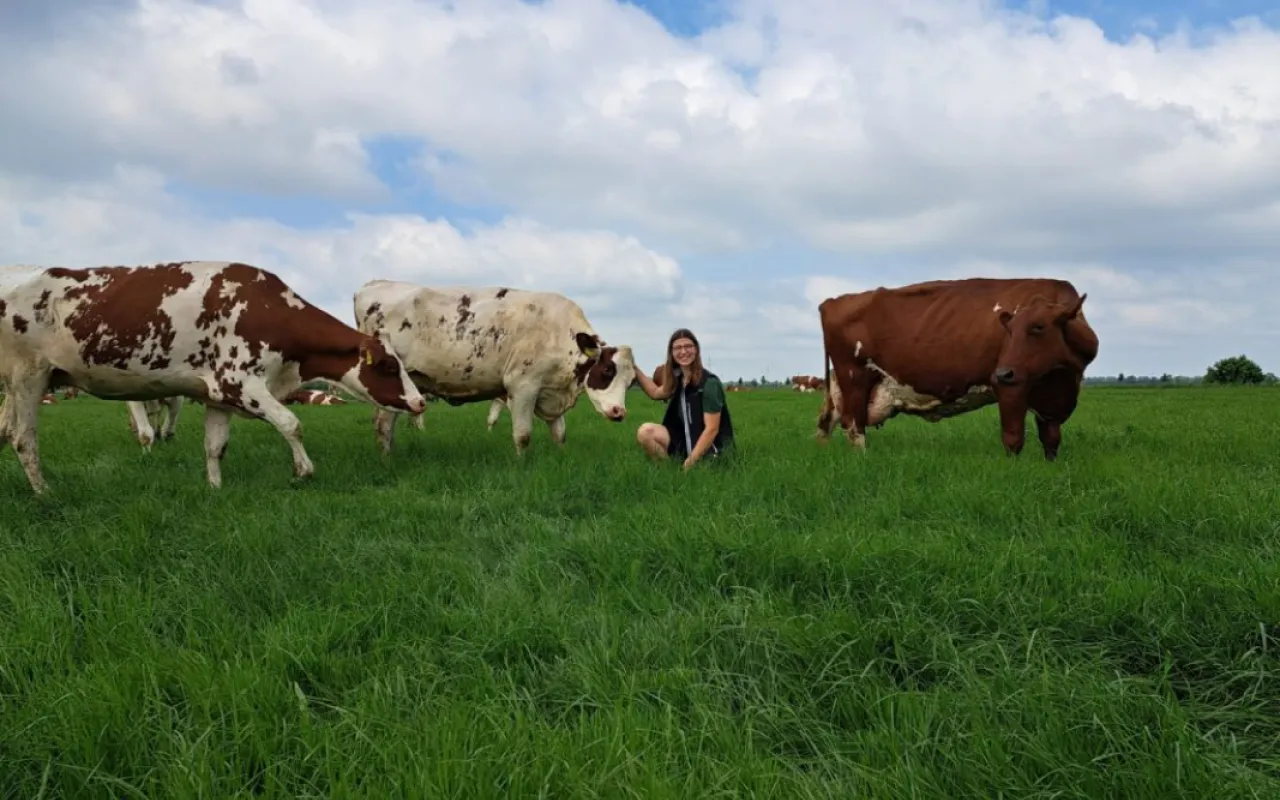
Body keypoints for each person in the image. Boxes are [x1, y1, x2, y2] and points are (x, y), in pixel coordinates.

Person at [632, 328, 735, 468]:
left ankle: (691, 465)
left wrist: (690, 461)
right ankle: (669, 470)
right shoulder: (678, 379)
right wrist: (633, 367)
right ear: (672, 353)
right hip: (684, 441)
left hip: (712, 449)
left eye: (688, 346)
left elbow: (712, 429)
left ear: (696, 350)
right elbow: (655, 392)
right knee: (645, 432)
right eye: (678, 348)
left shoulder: (709, 383)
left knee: (705, 467)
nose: (683, 351)